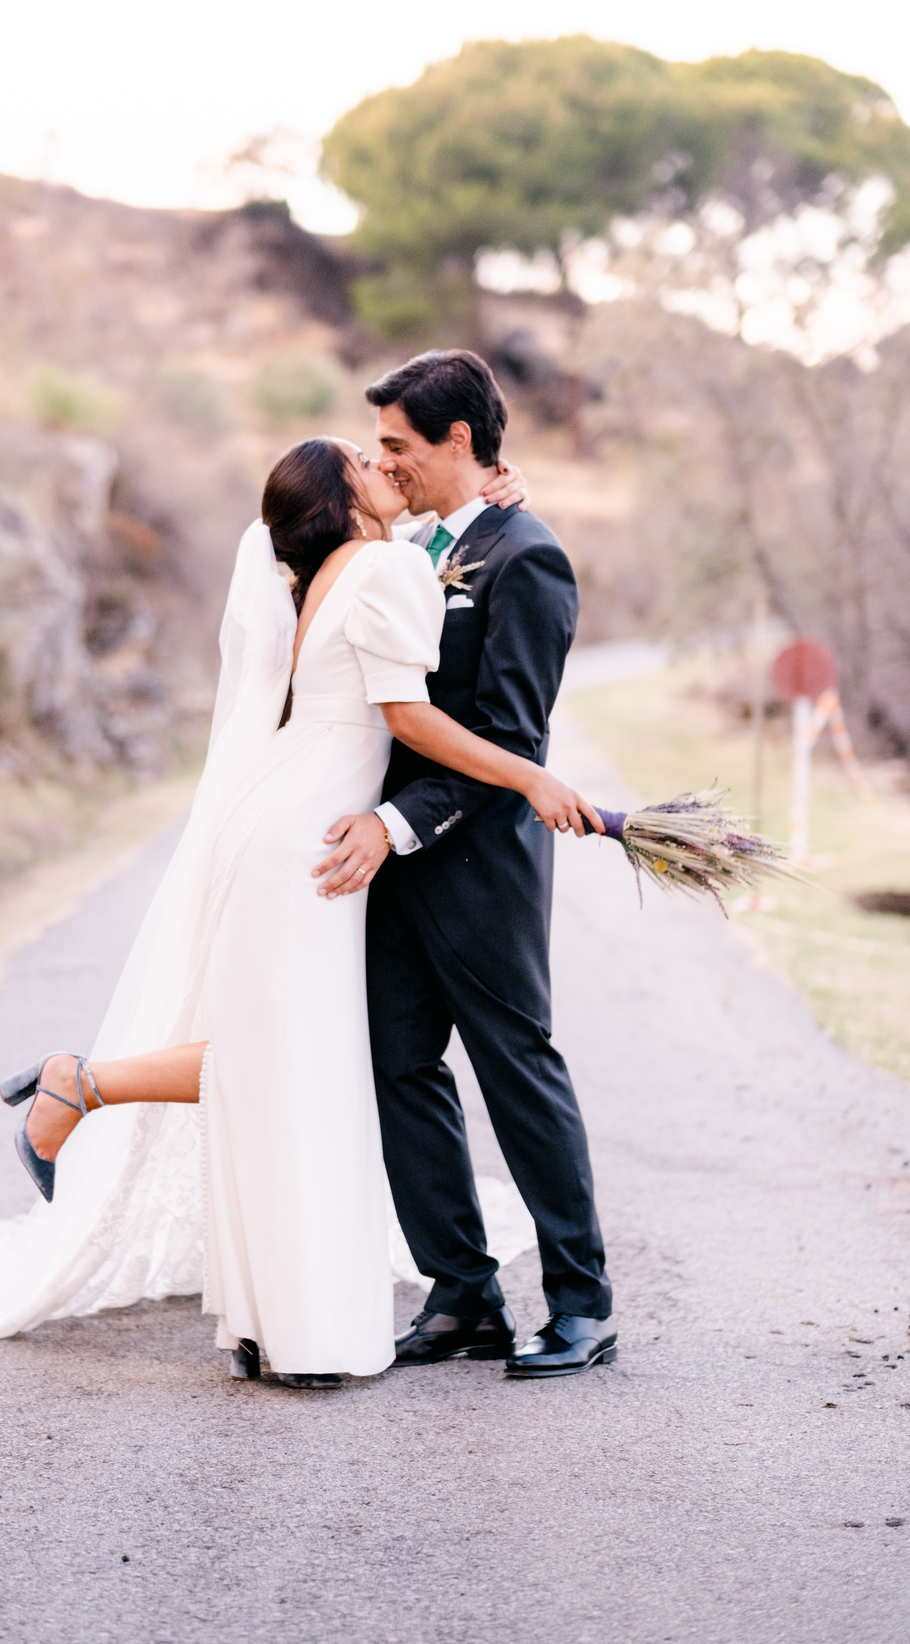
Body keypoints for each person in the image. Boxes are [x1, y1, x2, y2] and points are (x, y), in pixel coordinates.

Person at [0, 432, 600, 1388]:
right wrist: (531, 777)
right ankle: (283, 1313)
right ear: (346, 503)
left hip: (287, 815)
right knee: (289, 1061)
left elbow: (426, 591)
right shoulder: (383, 565)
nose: (385, 467)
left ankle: (228, 1270)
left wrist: (482, 510)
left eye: (392, 451)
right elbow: (412, 713)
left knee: (283, 1057)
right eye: (367, 461)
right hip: (313, 837)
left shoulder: (330, 573)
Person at [311, 351, 616, 1379]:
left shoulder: (526, 557)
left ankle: (584, 1303)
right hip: (391, 867)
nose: (384, 462)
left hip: (478, 867)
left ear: (457, 443)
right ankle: (463, 1293)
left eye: (399, 444)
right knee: (400, 1070)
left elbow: (509, 743)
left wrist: (396, 823)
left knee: (516, 1071)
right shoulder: (404, 543)